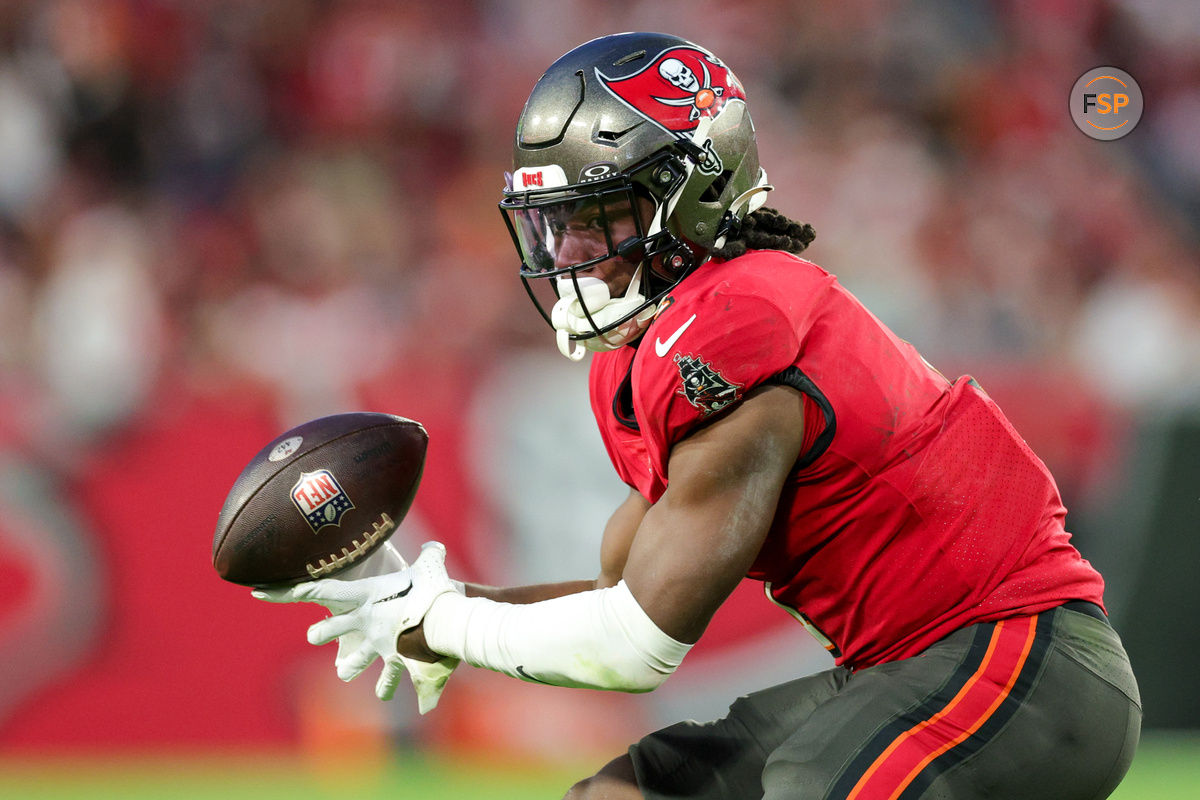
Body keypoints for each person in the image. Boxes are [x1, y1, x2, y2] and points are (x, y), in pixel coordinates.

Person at [256, 32, 1142, 799]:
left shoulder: (744, 318)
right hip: (909, 669)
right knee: (623, 796)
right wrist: (447, 608)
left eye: (598, 218)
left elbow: (636, 645)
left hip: (1028, 664)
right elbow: (620, 592)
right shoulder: (648, 359)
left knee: (812, 789)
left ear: (693, 196)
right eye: (555, 226)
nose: (569, 257)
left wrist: (441, 624)